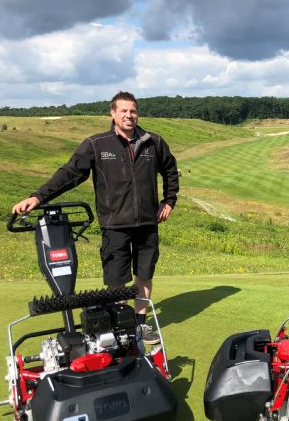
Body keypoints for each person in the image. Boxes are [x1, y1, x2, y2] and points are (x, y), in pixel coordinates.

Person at [12, 91, 179, 349]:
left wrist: (169, 200)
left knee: (144, 275)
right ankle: (123, 324)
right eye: (123, 111)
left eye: (133, 111)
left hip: (147, 224)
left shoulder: (152, 142)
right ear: (112, 113)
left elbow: (170, 168)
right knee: (116, 280)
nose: (129, 115)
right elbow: (69, 174)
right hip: (114, 226)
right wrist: (37, 197)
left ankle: (140, 322)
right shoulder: (97, 144)